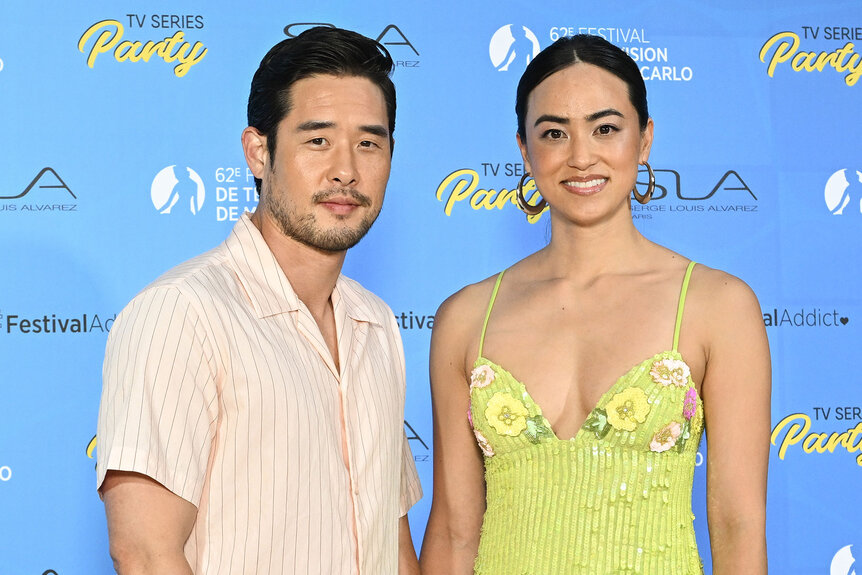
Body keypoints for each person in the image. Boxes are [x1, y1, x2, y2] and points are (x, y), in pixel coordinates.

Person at [420, 34, 770, 574]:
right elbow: (453, 530)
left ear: (645, 139)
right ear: (524, 150)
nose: (581, 157)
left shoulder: (716, 305)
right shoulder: (465, 317)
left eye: (605, 129)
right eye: (554, 133)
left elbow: (737, 525)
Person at [96, 26, 422, 575]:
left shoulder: (377, 323)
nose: (346, 168)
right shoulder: (182, 313)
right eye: (317, 140)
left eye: (369, 142)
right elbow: (147, 555)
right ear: (258, 151)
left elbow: (390, 541)